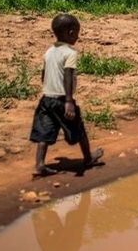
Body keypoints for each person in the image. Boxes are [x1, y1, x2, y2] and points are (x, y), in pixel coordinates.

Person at [29, 13, 103, 177]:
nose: (77, 36)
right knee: (79, 128)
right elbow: (68, 75)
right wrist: (69, 101)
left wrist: (48, 89)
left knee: (44, 133)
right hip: (62, 100)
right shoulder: (70, 53)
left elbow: (44, 74)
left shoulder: (49, 52)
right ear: (70, 33)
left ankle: (39, 164)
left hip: (46, 99)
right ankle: (88, 158)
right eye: (77, 32)